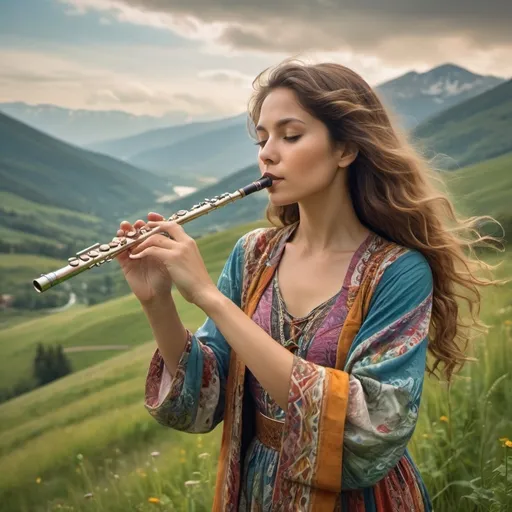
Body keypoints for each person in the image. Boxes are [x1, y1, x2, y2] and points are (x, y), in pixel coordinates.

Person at [115, 59, 501, 511]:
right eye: (262, 139)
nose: (267, 153)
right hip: (255, 494)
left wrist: (209, 297)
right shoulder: (253, 255)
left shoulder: (399, 271)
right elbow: (202, 402)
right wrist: (157, 300)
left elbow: (370, 428)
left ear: (345, 149)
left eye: (290, 135)